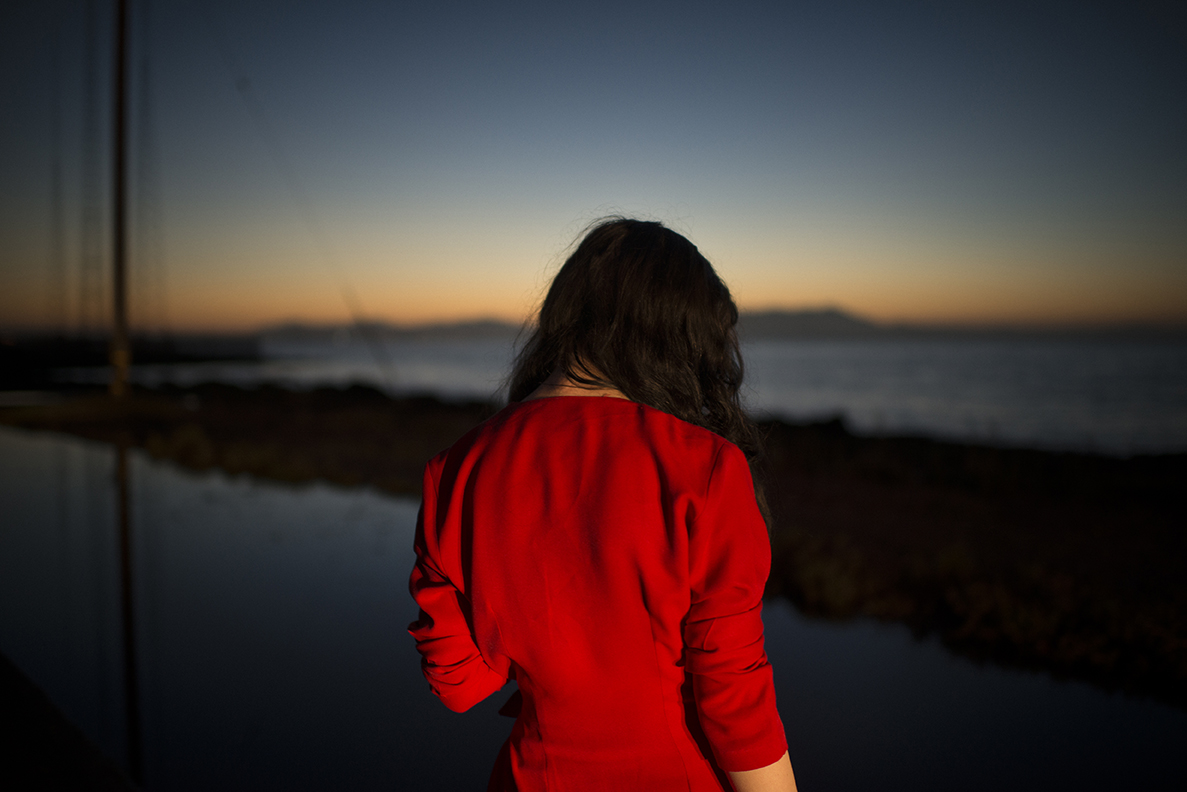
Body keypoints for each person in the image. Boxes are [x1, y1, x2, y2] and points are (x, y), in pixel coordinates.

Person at [408, 218, 797, 792]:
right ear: (682, 337)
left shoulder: (454, 469)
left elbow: (460, 685)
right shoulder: (706, 467)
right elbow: (733, 697)